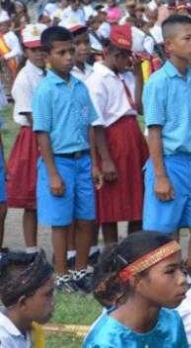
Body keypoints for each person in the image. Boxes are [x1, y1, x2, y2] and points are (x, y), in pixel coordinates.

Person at [32, 26, 106, 293]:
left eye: (71, 51)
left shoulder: (79, 86)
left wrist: (95, 162)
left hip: (83, 159)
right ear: (46, 55)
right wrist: (52, 173)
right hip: (59, 162)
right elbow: (42, 134)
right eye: (61, 53)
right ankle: (61, 274)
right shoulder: (44, 90)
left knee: (86, 219)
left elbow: (89, 126)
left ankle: (81, 270)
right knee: (62, 222)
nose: (68, 57)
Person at [142, 15, 191, 254]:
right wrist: (160, 176)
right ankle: (166, 282)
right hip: (170, 163)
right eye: (188, 38)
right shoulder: (158, 82)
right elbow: (154, 132)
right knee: (164, 232)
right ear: (169, 45)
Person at [86, 25, 148, 246]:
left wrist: (138, 74)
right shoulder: (97, 79)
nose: (126, 62)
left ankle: (134, 248)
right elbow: (96, 124)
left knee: (137, 200)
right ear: (112, 54)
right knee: (111, 204)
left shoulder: (127, 75)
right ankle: (112, 252)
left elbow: (139, 107)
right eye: (122, 57)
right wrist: (105, 160)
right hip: (112, 140)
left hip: (133, 136)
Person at [84, 231, 188, 346]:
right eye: (170, 271)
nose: (182, 279)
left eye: (182, 268)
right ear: (136, 280)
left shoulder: (172, 322)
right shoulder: (106, 341)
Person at [7, 24, 47, 253]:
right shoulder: (24, 79)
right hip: (33, 138)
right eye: (34, 49)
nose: (39, 53)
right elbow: (32, 117)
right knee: (31, 200)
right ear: (25, 50)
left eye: (42, 48)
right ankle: (31, 250)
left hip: (50, 133)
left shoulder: (48, 73)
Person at [0, 251, 54, 347]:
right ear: (23, 303)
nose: (53, 301)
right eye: (48, 294)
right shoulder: (3, 340)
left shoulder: (32, 329)